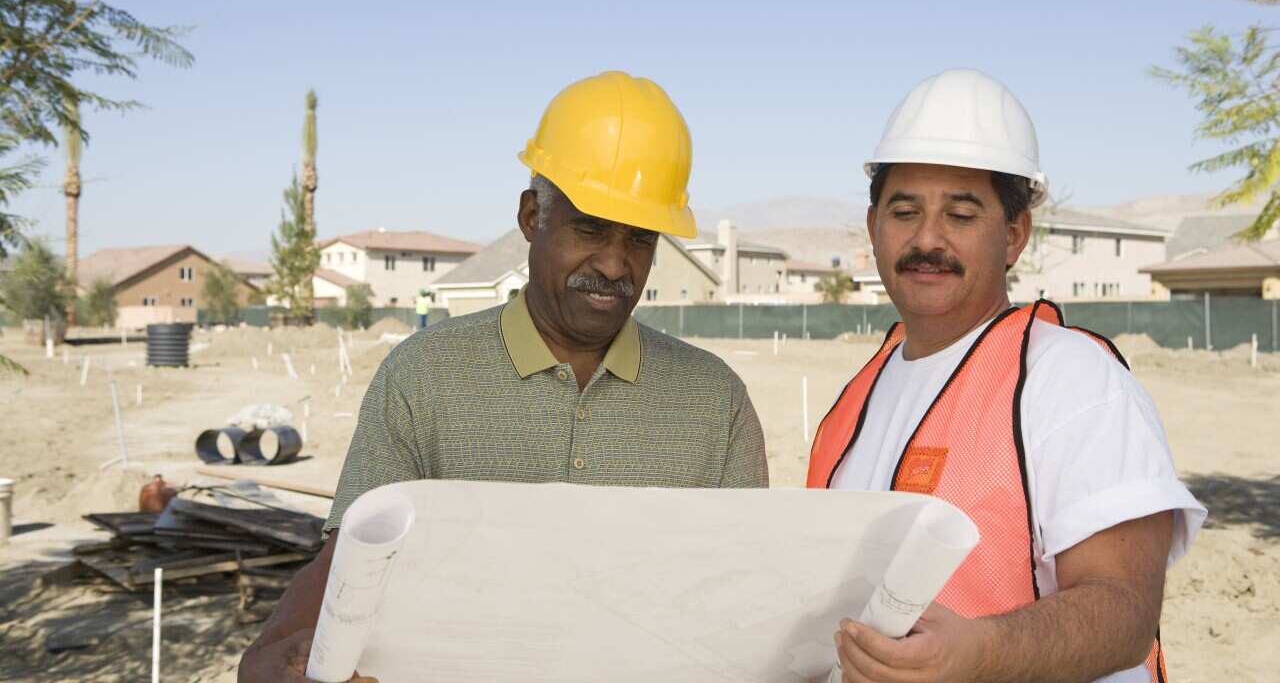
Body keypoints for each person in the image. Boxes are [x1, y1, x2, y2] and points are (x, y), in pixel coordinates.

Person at [238, 71, 768, 683]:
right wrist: (274, 651)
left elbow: (745, 591)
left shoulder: (714, 399)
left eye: (640, 238)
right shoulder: (424, 376)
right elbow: (355, 555)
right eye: (590, 227)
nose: (615, 264)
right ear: (530, 215)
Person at [807, 69, 1205, 683]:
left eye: (961, 215)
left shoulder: (1072, 380)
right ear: (873, 228)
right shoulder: (859, 397)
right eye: (904, 211)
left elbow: (1125, 610)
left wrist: (977, 653)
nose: (927, 239)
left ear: (1014, 234)